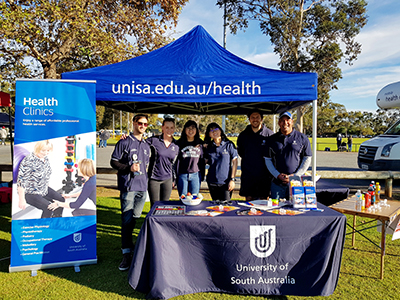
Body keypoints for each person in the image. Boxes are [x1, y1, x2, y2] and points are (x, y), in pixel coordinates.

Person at [110, 114, 150, 271]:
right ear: (134, 123)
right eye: (140, 123)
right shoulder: (124, 142)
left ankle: (131, 246)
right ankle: (126, 254)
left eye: (145, 124)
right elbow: (113, 161)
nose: (142, 126)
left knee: (135, 219)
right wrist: (128, 168)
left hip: (142, 188)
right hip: (128, 188)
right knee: (126, 221)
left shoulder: (146, 145)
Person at [264, 112, 312, 199]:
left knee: (296, 210)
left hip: (296, 184)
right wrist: (277, 175)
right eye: (282, 121)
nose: (285, 123)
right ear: (279, 123)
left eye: (288, 120)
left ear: (292, 121)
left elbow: (307, 158)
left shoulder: (302, 138)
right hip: (277, 184)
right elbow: (267, 159)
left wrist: (296, 175)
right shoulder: (272, 139)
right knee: (276, 210)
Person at [17, 140, 65, 218]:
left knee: (60, 200)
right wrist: (21, 199)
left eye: (48, 150)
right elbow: (21, 181)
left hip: (43, 189)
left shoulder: (45, 158)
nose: (46, 153)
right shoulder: (29, 160)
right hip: (30, 192)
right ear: (37, 148)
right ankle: (43, 227)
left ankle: (56, 221)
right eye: (43, 150)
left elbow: (46, 174)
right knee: (49, 207)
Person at [237, 109, 273, 200]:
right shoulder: (243, 135)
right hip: (248, 175)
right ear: (249, 119)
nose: (255, 119)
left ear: (261, 119)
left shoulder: (269, 134)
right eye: (252, 117)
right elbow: (241, 152)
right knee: (249, 202)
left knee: (263, 202)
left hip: (264, 176)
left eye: (257, 117)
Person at [146, 117, 179, 207]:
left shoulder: (176, 145)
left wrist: (174, 179)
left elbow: (175, 164)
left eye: (171, 128)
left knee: (165, 205)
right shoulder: (154, 140)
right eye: (167, 127)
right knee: (154, 205)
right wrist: (126, 138)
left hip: (168, 179)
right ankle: (152, 221)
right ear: (162, 128)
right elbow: (139, 144)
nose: (169, 130)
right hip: (154, 179)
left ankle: (161, 221)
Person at [203, 123, 238, 201]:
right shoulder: (208, 147)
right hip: (212, 182)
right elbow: (204, 161)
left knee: (226, 207)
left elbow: (235, 162)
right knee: (215, 207)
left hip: (226, 182)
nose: (214, 131)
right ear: (208, 134)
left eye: (216, 129)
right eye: (211, 130)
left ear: (220, 131)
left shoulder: (229, 145)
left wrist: (232, 179)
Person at [175, 120, 205, 197]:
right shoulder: (179, 143)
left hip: (196, 175)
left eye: (193, 128)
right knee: (183, 199)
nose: (190, 130)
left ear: (197, 130)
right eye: (188, 128)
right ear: (184, 130)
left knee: (194, 199)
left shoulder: (201, 144)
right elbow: (175, 161)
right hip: (182, 175)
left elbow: (203, 159)